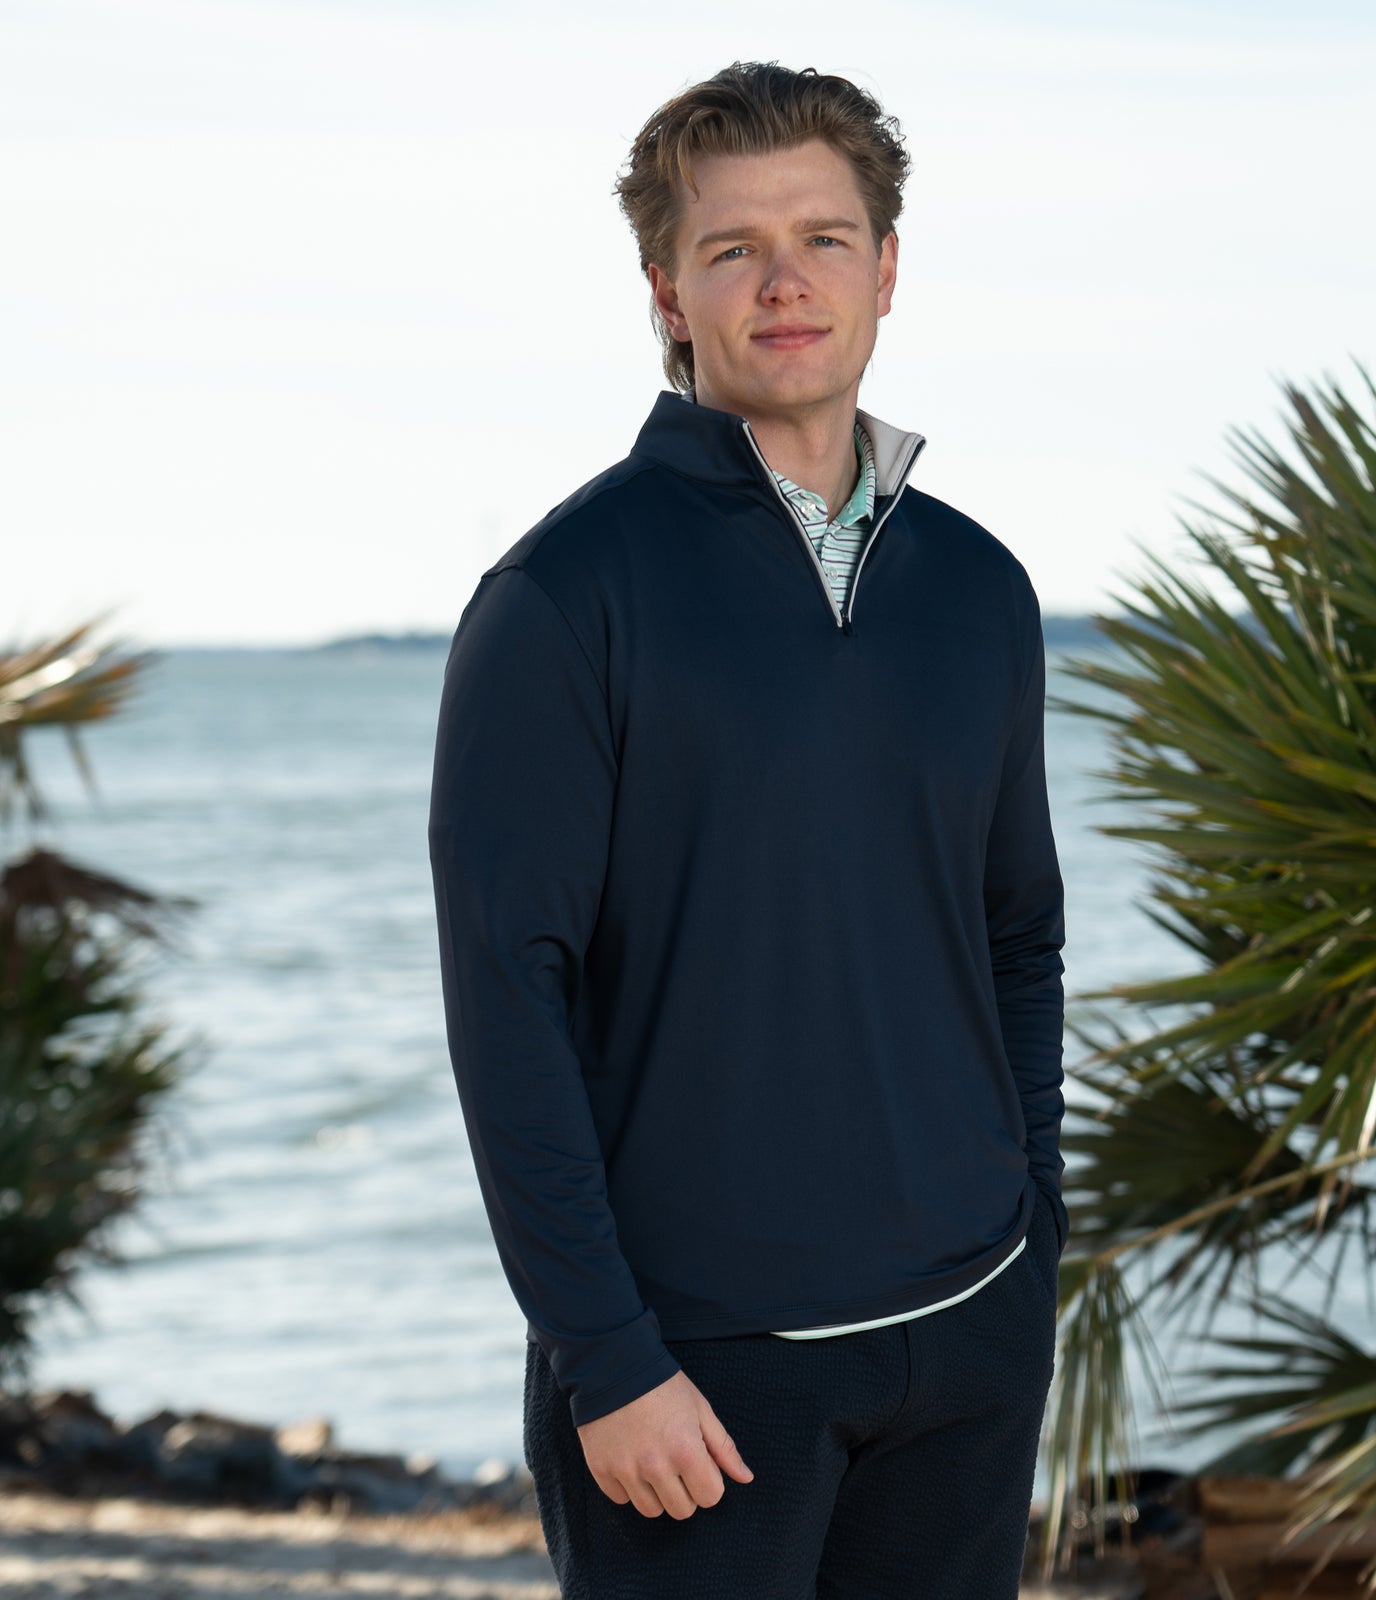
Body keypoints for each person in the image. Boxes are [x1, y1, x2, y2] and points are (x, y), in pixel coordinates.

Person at [427, 59, 1069, 1600]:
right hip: (697, 1382)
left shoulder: (980, 589)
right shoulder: (561, 598)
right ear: (668, 285)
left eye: (825, 238)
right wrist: (604, 1353)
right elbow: (507, 998)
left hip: (968, 1344)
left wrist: (1029, 1238)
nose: (786, 282)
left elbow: (1016, 935)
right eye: (734, 248)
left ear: (888, 268)